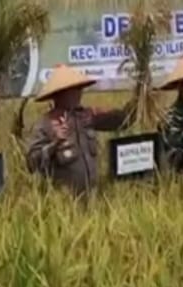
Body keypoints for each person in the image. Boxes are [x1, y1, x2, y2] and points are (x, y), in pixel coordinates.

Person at [25, 65, 130, 196]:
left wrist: (140, 97)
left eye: (79, 88)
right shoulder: (46, 123)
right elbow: (31, 163)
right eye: (74, 89)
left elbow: (123, 121)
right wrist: (55, 144)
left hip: (93, 198)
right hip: (63, 201)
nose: (79, 93)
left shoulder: (87, 116)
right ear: (59, 94)